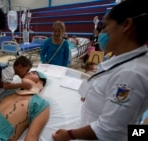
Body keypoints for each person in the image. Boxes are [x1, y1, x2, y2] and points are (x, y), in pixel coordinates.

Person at [52, 0, 148, 141]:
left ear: (126, 25)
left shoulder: (131, 74)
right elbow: (108, 85)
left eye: (104, 26)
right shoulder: (120, 58)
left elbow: (109, 130)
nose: (101, 33)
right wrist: (93, 94)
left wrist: (69, 135)